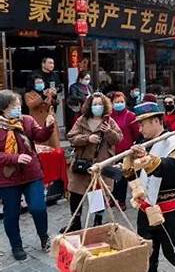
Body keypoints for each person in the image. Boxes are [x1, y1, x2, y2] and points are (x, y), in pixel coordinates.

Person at [123, 101, 175, 272]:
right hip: (146, 209)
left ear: (156, 121)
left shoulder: (174, 142)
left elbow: (172, 167)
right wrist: (127, 165)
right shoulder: (142, 142)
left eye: (142, 124)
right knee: (147, 254)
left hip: (170, 210)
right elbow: (133, 174)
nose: (140, 129)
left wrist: (148, 158)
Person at [0, 90, 55, 260]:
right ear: (3, 108)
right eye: (13, 106)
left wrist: (48, 126)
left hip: (32, 174)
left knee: (38, 207)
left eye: (18, 105)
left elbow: (40, 136)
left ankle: (44, 237)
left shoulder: (27, 121)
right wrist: (14, 158)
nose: (18, 108)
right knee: (11, 213)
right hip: (7, 178)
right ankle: (16, 246)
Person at [62, 92, 123, 232]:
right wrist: (87, 138)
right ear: (89, 106)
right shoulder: (82, 120)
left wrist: (108, 132)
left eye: (100, 104)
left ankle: (97, 221)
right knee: (76, 192)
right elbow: (71, 137)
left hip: (100, 165)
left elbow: (118, 139)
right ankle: (75, 221)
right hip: (82, 164)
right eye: (95, 104)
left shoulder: (109, 122)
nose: (97, 107)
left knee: (97, 194)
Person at [109, 91, 141, 211]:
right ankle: (112, 197)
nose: (119, 104)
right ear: (111, 103)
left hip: (125, 151)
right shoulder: (109, 116)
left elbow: (137, 133)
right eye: (116, 102)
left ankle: (121, 200)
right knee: (111, 175)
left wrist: (134, 145)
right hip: (111, 151)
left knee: (122, 177)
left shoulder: (130, 116)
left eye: (121, 102)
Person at [24, 74, 60, 148]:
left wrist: (54, 96)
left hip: (49, 121)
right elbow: (31, 105)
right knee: (42, 145)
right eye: (38, 83)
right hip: (38, 122)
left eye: (41, 82)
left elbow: (55, 103)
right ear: (32, 84)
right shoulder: (28, 95)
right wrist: (42, 97)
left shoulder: (47, 92)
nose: (40, 84)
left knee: (54, 146)